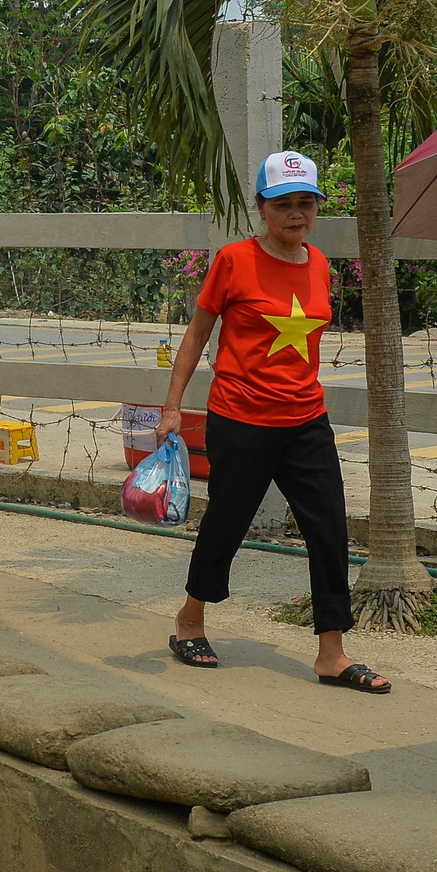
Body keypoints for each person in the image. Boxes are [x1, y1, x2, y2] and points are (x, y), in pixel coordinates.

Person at [156, 151, 388, 693]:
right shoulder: (234, 261)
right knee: (228, 521)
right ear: (261, 207)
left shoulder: (321, 264)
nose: (296, 213)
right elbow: (195, 336)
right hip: (241, 418)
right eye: (283, 203)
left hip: (307, 418)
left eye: (306, 203)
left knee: (328, 527)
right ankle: (190, 619)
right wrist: (172, 405)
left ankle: (331, 651)